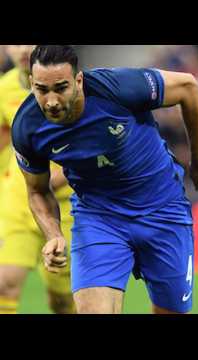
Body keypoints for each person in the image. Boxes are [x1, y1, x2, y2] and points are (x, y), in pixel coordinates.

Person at [11, 45, 198, 314]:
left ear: (78, 81)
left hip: (162, 211)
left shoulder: (119, 86)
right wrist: (53, 234)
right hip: (99, 218)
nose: (51, 101)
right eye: (42, 90)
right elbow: (38, 191)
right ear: (32, 83)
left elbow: (188, 87)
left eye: (61, 88)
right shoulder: (27, 127)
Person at [0, 45, 75, 314]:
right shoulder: (4, 89)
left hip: (65, 207)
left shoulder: (74, 87)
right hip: (18, 203)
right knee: (4, 283)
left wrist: (63, 175)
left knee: (62, 301)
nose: (22, 49)